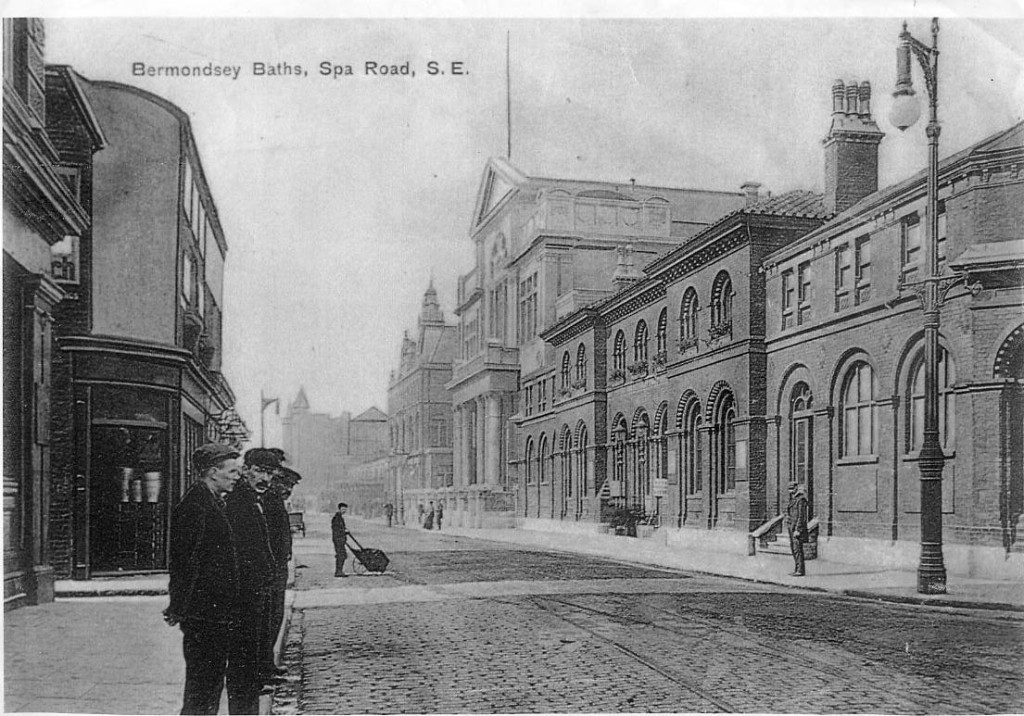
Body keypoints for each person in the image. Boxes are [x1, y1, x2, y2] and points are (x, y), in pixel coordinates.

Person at [165, 443, 241, 716]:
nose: (236, 476)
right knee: (202, 688)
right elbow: (184, 562)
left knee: (208, 686)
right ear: (212, 472)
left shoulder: (210, 501)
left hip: (214, 612)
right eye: (231, 471)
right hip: (204, 614)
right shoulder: (196, 505)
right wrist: (179, 607)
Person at [225, 448, 280, 713]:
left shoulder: (254, 498)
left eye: (269, 473)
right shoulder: (239, 501)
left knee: (248, 658)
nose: (264, 478)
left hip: (255, 589)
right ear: (245, 470)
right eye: (258, 471)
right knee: (243, 661)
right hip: (245, 592)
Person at [259, 462, 298, 685]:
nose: (289, 490)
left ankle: (267, 665)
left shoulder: (274, 501)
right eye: (287, 485)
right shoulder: (270, 501)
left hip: (277, 566)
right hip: (272, 569)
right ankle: (264, 667)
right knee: (269, 618)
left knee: (274, 618)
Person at [786, 480, 810, 577]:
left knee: (797, 549)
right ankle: (797, 569)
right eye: (789, 489)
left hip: (796, 529)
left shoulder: (801, 499)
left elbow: (801, 516)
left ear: (796, 488)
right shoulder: (793, 499)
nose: (791, 491)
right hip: (791, 527)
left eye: (792, 488)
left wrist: (798, 530)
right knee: (793, 549)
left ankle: (800, 570)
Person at [331, 502, 349, 577]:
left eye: (345, 509)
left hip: (340, 539)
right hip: (338, 539)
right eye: (343, 509)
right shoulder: (337, 518)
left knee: (342, 555)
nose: (344, 511)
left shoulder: (340, 517)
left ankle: (339, 570)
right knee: (341, 555)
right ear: (339, 509)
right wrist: (343, 531)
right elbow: (336, 529)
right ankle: (338, 571)